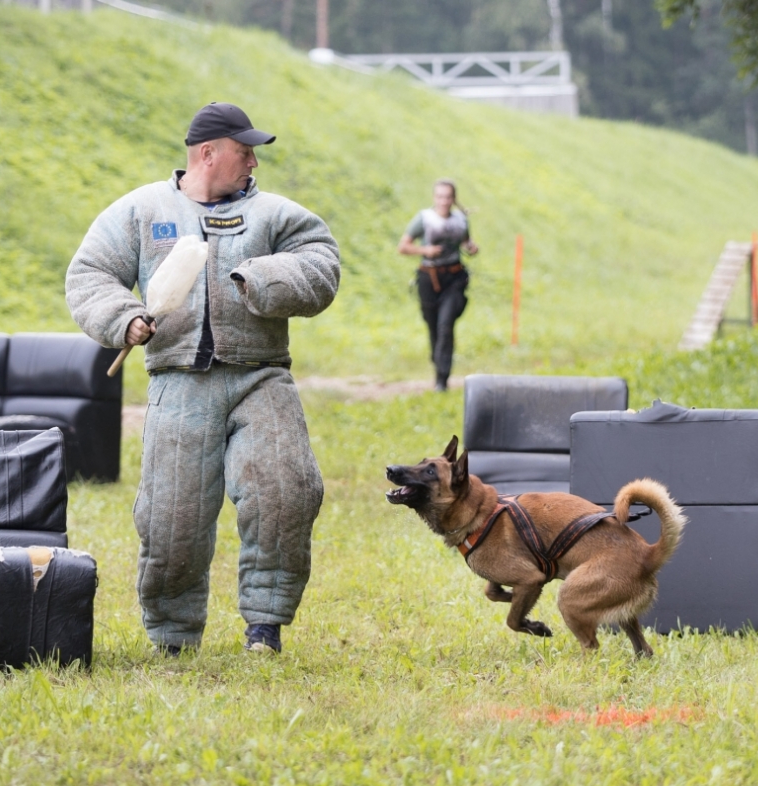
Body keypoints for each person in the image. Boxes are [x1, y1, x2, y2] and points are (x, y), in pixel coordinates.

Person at [66, 102, 340, 656]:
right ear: (207, 153)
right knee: (172, 518)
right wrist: (124, 318)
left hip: (261, 376)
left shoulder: (278, 215)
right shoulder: (140, 211)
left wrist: (261, 276)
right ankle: (173, 636)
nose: (253, 165)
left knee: (285, 492)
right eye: (245, 153)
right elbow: (89, 275)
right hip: (178, 383)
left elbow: (322, 264)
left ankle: (265, 625)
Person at [398, 179, 479, 390]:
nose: (444, 201)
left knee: (445, 325)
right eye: (440, 196)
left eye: (448, 197)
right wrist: (425, 251)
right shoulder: (424, 219)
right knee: (433, 325)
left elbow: (465, 241)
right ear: (435, 198)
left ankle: (442, 380)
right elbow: (403, 247)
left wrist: (470, 247)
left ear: (453, 199)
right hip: (429, 278)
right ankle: (438, 362)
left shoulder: (461, 220)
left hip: (454, 278)